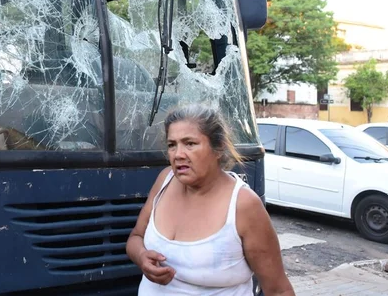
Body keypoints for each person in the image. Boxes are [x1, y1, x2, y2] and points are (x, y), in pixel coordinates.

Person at [126, 104, 294, 295]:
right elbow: (136, 237)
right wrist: (141, 257)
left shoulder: (243, 205)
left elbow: (279, 290)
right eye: (172, 145)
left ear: (219, 148)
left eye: (190, 143)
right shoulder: (165, 180)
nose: (178, 154)